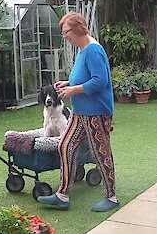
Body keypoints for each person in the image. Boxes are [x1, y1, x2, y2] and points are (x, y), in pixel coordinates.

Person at [37, 12, 119, 212]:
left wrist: (75, 90)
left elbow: (100, 81)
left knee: (101, 153)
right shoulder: (82, 49)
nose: (64, 36)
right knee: (66, 146)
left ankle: (112, 197)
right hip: (80, 112)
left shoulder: (93, 51)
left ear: (77, 29)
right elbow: (86, 76)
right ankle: (62, 195)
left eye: (66, 32)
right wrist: (69, 83)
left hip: (97, 113)